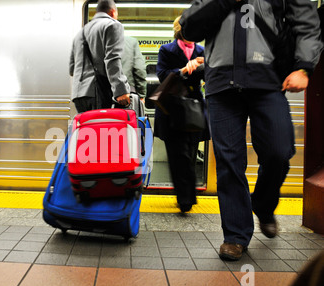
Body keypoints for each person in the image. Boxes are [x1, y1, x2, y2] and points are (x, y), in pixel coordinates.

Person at [180, 0, 323, 260]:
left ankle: (264, 205)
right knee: (229, 161)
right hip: (222, 83)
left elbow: (308, 25)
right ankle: (235, 235)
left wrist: (304, 67)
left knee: (279, 151)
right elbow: (189, 27)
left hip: (268, 80)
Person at [154, 16, 205, 213]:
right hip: (172, 109)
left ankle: (187, 195)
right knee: (177, 155)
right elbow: (161, 74)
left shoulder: (202, 51)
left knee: (190, 153)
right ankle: (185, 198)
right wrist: (184, 68)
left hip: (193, 109)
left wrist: (203, 63)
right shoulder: (166, 50)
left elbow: (210, 73)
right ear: (180, 30)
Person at [69, 0, 130, 113]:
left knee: (87, 130)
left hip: (79, 94)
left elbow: (72, 69)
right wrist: (121, 90)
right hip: (97, 92)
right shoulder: (113, 25)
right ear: (113, 12)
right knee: (101, 129)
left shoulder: (80, 33)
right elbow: (112, 59)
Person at [122, 36, 147, 101]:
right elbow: (139, 69)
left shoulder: (96, 40)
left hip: (101, 93)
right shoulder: (131, 42)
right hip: (127, 93)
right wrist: (141, 94)